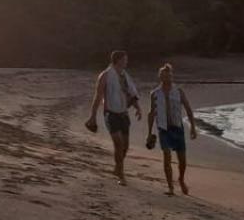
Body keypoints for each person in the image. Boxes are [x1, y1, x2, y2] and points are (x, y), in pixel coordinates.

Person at [85, 50, 142, 184]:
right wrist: (92, 116)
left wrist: (138, 107)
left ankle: (117, 167)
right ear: (118, 60)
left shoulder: (124, 75)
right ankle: (121, 175)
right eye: (125, 59)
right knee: (118, 144)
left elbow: (132, 93)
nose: (126, 61)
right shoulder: (105, 75)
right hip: (111, 113)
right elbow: (98, 96)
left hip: (123, 113)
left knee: (125, 146)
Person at [146, 63, 198, 196]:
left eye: (169, 75)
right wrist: (149, 132)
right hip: (163, 129)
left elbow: (188, 108)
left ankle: (181, 179)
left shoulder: (178, 91)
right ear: (160, 77)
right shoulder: (155, 93)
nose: (167, 78)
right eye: (164, 76)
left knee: (182, 161)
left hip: (177, 128)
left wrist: (192, 127)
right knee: (167, 156)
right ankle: (170, 187)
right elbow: (151, 113)